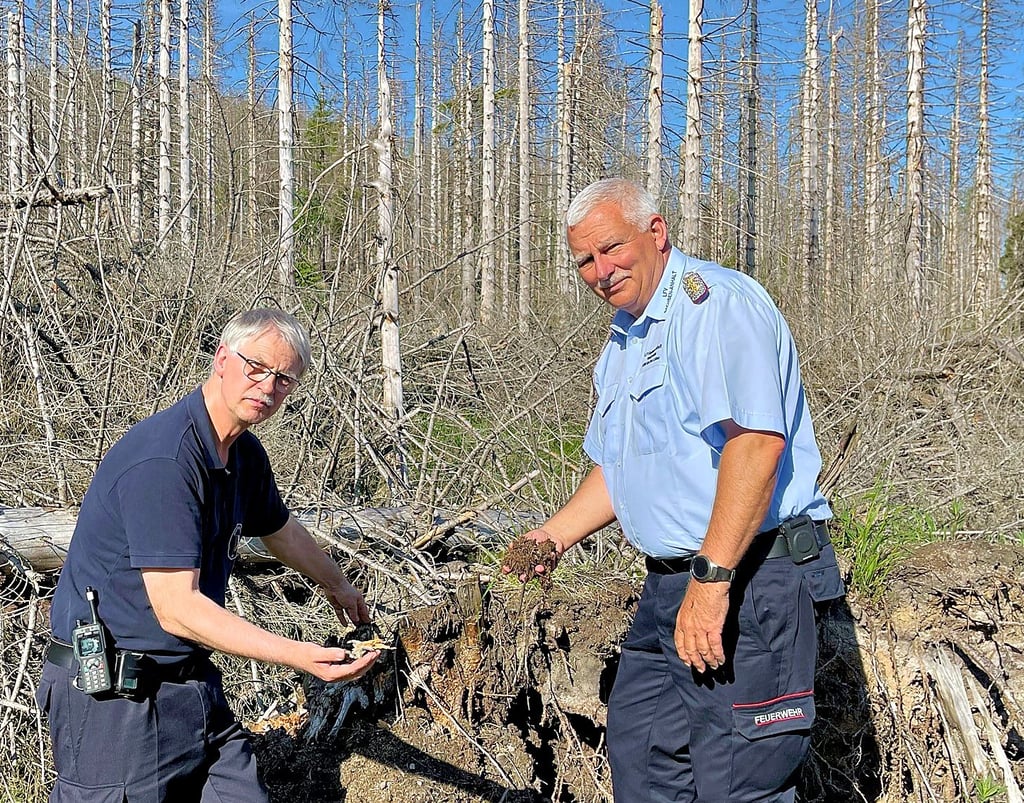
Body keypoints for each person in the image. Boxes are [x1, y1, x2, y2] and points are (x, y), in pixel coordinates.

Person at [503, 178, 844, 802]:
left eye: (612, 248)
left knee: (740, 783)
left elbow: (755, 445)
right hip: (669, 584)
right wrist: (550, 537)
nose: (601, 271)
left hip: (748, 575)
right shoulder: (625, 338)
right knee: (644, 759)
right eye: (585, 260)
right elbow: (621, 468)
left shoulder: (715, 306)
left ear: (656, 233)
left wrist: (712, 582)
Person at [37, 308, 380, 802]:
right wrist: (301, 657)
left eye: (283, 379)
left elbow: (280, 531)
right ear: (222, 358)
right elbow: (177, 609)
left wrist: (339, 585)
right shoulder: (166, 460)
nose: (267, 386)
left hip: (191, 689)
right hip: (116, 703)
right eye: (256, 367)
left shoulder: (243, 455)